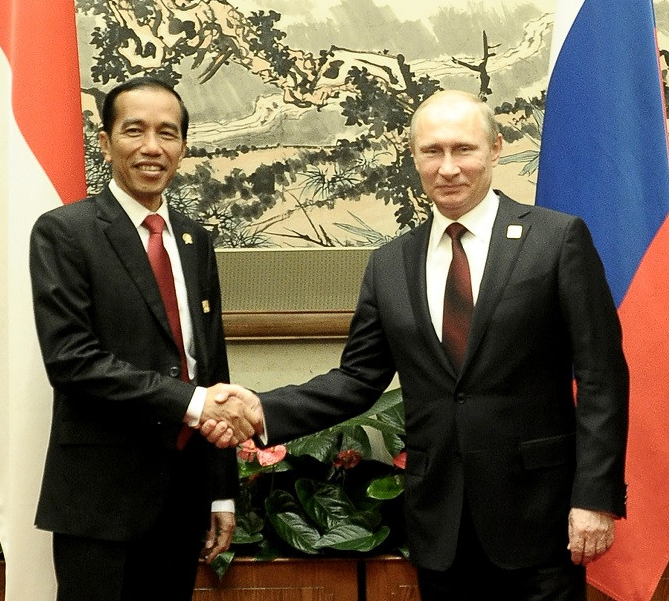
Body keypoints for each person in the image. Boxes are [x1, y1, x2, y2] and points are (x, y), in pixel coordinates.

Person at [205, 89, 629, 601]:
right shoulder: (391, 263)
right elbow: (358, 378)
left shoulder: (556, 240)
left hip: (539, 515)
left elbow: (603, 377)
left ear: (495, 148)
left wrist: (595, 498)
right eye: (432, 152)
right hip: (440, 522)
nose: (448, 168)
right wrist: (262, 409)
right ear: (414, 158)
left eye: (463, 149)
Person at [29, 77, 258, 601]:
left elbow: (210, 364)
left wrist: (220, 492)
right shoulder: (65, 233)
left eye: (168, 133)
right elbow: (71, 360)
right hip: (100, 500)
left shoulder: (195, 239)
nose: (153, 147)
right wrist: (196, 403)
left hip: (181, 498)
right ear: (106, 142)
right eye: (135, 131)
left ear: (182, 146)